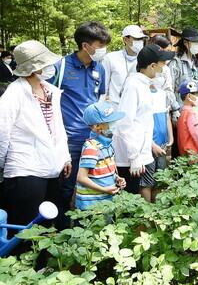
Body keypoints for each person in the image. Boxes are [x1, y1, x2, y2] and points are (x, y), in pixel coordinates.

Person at [0, 40, 70, 236]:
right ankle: (24, 264)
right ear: (35, 68)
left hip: (51, 166)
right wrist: (2, 164)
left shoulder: (49, 90)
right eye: (45, 64)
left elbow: (58, 127)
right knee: (26, 225)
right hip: (25, 168)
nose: (50, 68)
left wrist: (64, 156)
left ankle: (41, 264)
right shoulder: (14, 94)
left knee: (46, 223)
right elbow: (2, 133)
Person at [48, 21, 110, 229]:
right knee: (66, 187)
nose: (103, 50)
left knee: (96, 183)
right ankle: (62, 229)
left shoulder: (99, 68)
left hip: (93, 138)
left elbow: (100, 99)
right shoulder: (61, 66)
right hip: (69, 139)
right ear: (85, 46)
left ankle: (90, 228)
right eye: (100, 45)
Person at [113, 44, 175, 197]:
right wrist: (134, 156)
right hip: (131, 157)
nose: (164, 68)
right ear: (152, 66)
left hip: (140, 152)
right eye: (162, 64)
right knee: (131, 198)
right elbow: (125, 123)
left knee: (136, 198)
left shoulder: (144, 85)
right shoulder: (133, 86)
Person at [75, 102, 126, 210]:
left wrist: (116, 178)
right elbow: (81, 177)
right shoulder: (92, 148)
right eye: (109, 121)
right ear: (96, 126)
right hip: (92, 206)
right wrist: (103, 189)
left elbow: (105, 170)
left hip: (106, 203)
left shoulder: (107, 145)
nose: (114, 124)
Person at [169, 27, 198, 123]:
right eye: (195, 42)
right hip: (181, 113)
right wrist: (175, 110)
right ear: (185, 43)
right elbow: (170, 89)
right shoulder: (175, 63)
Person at [101, 25, 149, 109]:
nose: (140, 42)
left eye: (141, 39)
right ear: (125, 40)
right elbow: (103, 86)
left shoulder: (146, 59)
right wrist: (100, 108)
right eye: (137, 39)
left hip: (138, 108)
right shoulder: (111, 58)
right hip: (116, 108)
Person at [148, 68, 173, 202]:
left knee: (160, 179)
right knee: (147, 181)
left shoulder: (162, 94)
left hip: (163, 143)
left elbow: (166, 116)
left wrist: (171, 137)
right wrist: (151, 144)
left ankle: (157, 208)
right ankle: (147, 214)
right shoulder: (143, 93)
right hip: (149, 144)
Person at [177, 81, 198, 156]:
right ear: (189, 96)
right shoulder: (192, 114)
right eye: (197, 94)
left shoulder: (183, 114)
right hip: (196, 156)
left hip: (186, 156)